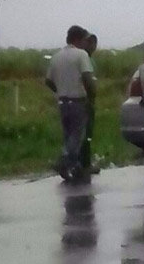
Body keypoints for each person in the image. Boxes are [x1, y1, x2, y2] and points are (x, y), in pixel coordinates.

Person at [45, 26, 96, 181]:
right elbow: (87, 78)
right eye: (84, 40)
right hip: (78, 100)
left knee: (68, 135)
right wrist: (91, 97)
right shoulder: (81, 55)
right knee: (77, 135)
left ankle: (74, 166)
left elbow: (48, 80)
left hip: (62, 101)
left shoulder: (56, 56)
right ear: (77, 39)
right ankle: (64, 161)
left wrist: (60, 90)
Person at [80, 34, 99, 174]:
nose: (92, 47)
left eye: (93, 44)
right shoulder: (83, 59)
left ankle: (81, 162)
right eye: (90, 43)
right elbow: (88, 81)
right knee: (85, 133)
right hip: (85, 100)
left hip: (83, 100)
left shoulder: (90, 60)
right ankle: (84, 164)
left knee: (83, 133)